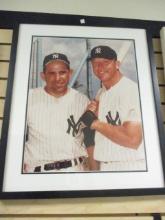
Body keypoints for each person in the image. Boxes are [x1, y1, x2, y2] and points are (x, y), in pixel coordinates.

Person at [23, 52, 97, 173]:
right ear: (43, 76)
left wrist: (96, 173)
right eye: (52, 73)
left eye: (62, 72)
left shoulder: (82, 100)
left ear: (70, 73)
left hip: (74, 169)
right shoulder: (28, 97)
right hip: (38, 172)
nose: (57, 78)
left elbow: (90, 139)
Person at [78, 45, 146, 171]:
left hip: (130, 166)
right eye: (95, 63)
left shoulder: (131, 90)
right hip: (106, 165)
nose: (100, 68)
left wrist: (96, 123)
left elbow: (133, 139)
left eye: (106, 62)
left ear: (117, 64)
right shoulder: (100, 93)